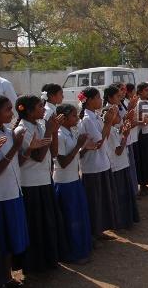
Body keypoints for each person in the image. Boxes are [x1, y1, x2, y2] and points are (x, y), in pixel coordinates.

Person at [14, 95, 69, 273]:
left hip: (44, 181)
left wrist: (53, 131)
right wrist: (48, 131)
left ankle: (49, 259)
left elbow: (52, 153)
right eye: (39, 106)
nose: (43, 109)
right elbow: (37, 157)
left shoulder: (38, 125)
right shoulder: (23, 130)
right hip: (31, 185)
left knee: (49, 223)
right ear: (29, 111)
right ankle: (34, 265)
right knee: (35, 225)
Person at [77, 87, 119, 240]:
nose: (101, 101)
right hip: (92, 166)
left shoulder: (94, 116)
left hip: (102, 163)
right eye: (98, 98)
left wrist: (107, 122)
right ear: (89, 100)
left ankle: (100, 230)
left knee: (102, 200)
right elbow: (99, 142)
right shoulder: (87, 119)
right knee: (94, 201)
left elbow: (104, 137)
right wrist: (108, 122)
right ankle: (93, 233)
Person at [53, 104, 92, 264]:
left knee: (79, 216)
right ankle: (71, 253)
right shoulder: (59, 135)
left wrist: (86, 148)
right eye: (74, 116)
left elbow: (74, 157)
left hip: (74, 180)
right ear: (64, 117)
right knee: (70, 220)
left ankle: (82, 249)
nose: (77, 118)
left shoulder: (71, 131)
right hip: (64, 183)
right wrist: (78, 145)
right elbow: (63, 162)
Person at [0, 96, 29, 287]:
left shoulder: (10, 133)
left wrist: (26, 150)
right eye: (8, 110)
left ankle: (8, 277)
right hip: (1, 196)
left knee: (10, 238)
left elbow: (16, 163)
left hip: (13, 192)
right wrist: (16, 147)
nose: (12, 114)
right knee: (1, 240)